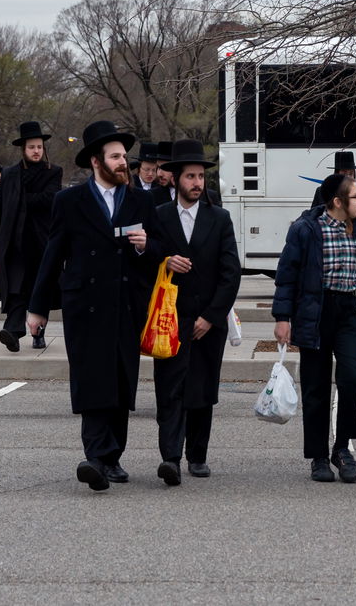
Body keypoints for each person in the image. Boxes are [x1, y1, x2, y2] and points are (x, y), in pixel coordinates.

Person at [28, 120, 161, 492]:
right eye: (116, 156)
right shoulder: (68, 201)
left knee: (120, 380)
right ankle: (96, 458)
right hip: (84, 305)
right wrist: (37, 308)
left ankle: (113, 457)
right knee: (91, 379)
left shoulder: (141, 200)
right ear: (95, 161)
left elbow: (161, 250)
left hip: (126, 304)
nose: (124, 163)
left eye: (124, 156)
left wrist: (144, 245)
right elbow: (52, 255)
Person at [273, 173, 356, 484]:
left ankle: (341, 448)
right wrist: (283, 318)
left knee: (352, 377)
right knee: (316, 387)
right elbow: (287, 274)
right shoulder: (306, 230)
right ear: (337, 202)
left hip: (349, 311)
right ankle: (318, 457)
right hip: (315, 311)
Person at [151, 139, 241, 485]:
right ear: (175, 179)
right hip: (169, 320)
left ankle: (198, 455)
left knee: (202, 389)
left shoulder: (219, 218)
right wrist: (164, 259)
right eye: (190, 176)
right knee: (169, 388)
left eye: (201, 176)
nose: (196, 183)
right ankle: (170, 458)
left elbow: (231, 272)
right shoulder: (158, 216)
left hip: (208, 320)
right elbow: (145, 260)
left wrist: (212, 316)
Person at [0, 120, 63, 351]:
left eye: (39, 147)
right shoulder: (10, 174)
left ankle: (39, 333)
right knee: (16, 288)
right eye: (31, 147)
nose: (36, 151)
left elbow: (51, 198)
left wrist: (17, 201)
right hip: (14, 243)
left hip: (42, 242)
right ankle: (13, 332)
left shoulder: (53, 171)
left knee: (40, 288)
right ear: (23, 149)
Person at [152, 140, 175, 206]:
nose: (159, 174)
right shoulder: (151, 196)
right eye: (158, 168)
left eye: (165, 168)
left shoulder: (199, 195)